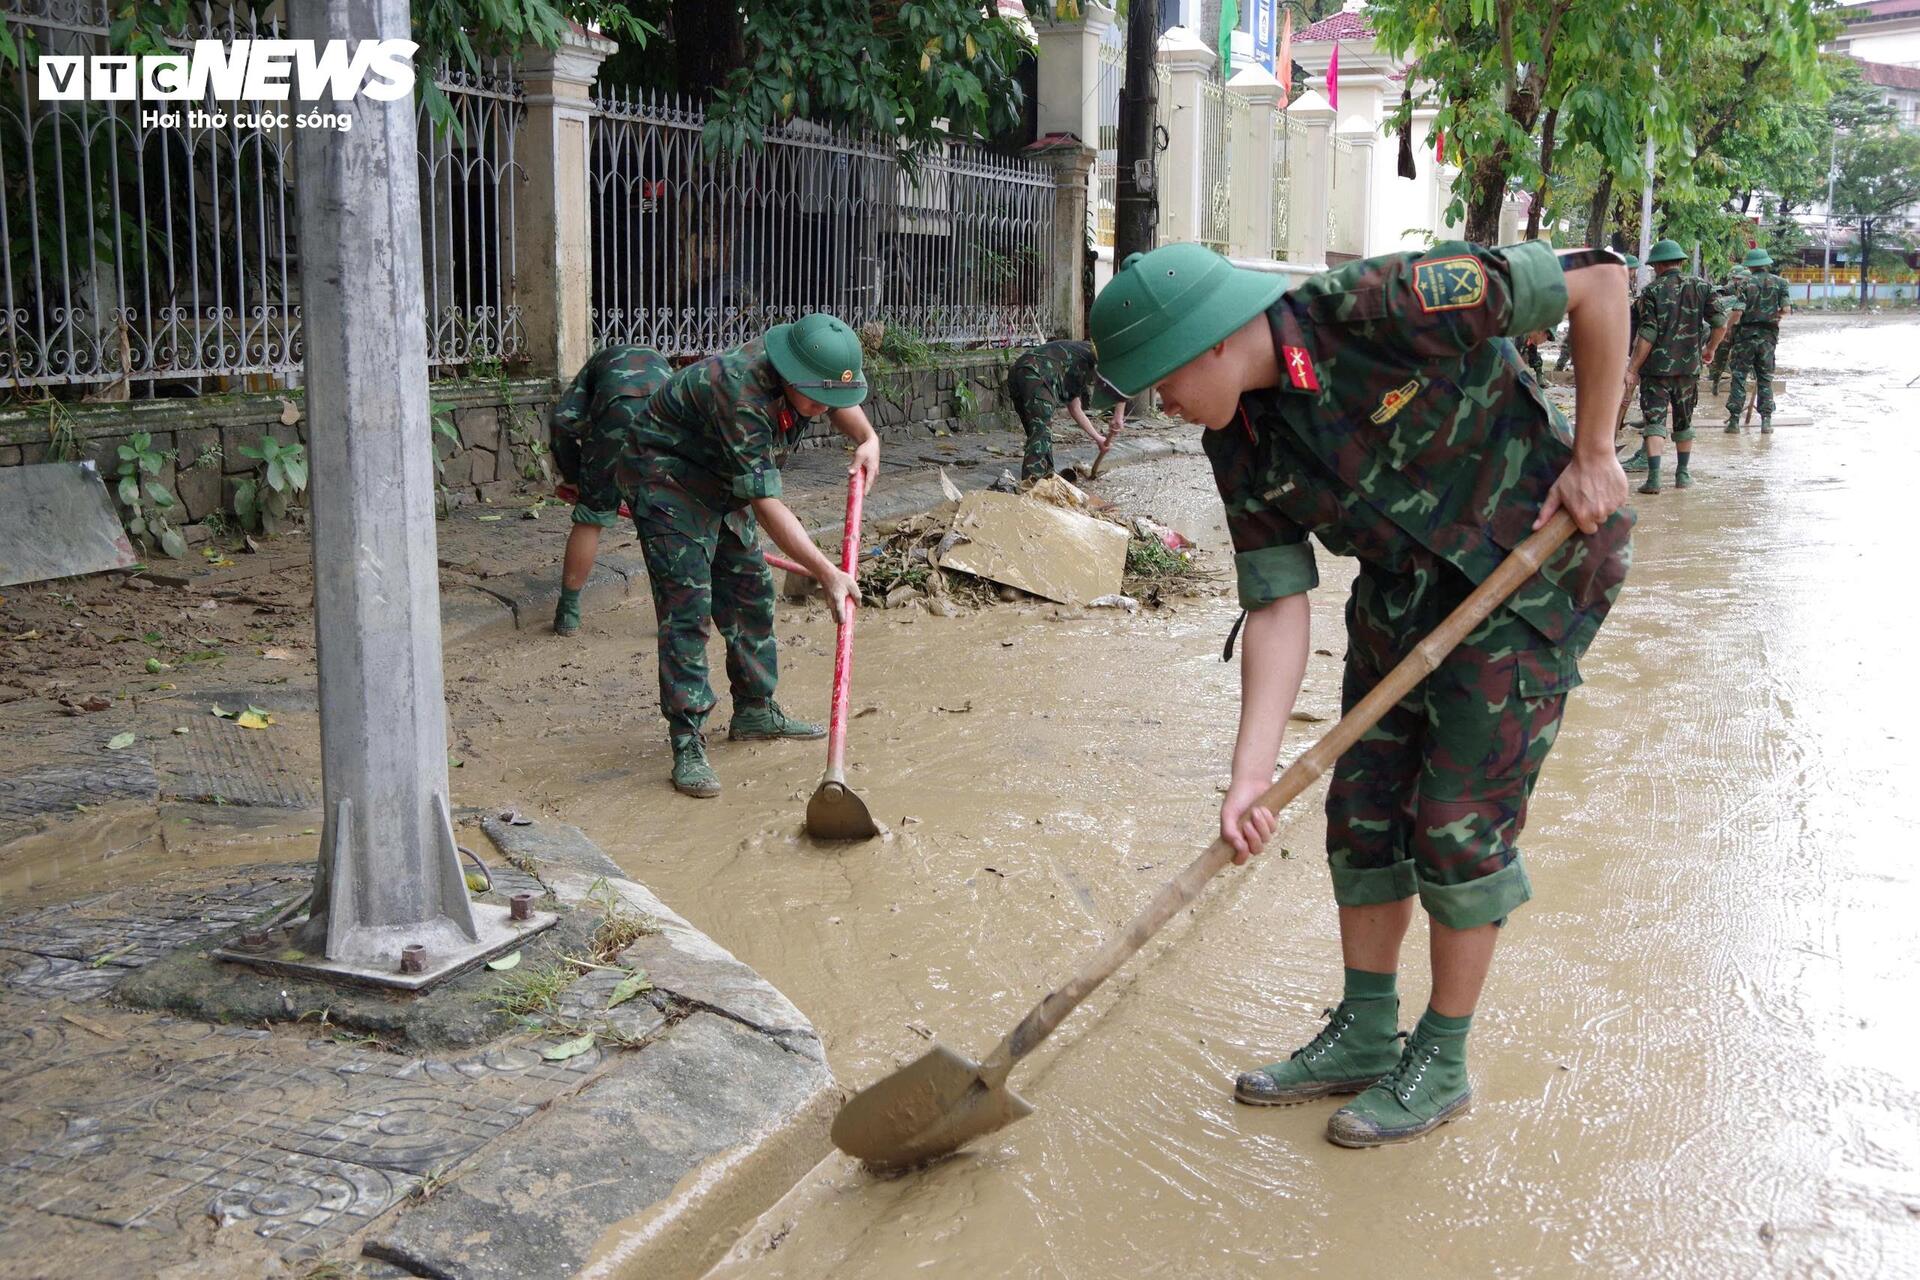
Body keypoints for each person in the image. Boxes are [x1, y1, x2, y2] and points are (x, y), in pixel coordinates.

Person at [1088, 240, 1633, 1148]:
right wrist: (1249, 776)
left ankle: (1443, 1056)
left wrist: (1596, 450)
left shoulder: (1385, 305)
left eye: (1161, 383)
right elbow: (1277, 606)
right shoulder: (1240, 438)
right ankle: (1366, 1030)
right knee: (1366, 804)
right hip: (1404, 589)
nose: (1166, 407)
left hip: (1531, 567)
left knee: (1457, 818)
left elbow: (1600, 280)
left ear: (1211, 343)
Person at [610, 313, 882, 798]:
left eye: (831, 398)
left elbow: (836, 399)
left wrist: (868, 439)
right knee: (688, 608)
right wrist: (826, 573)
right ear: (790, 374)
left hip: (721, 477)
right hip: (666, 478)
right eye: (817, 397)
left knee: (750, 590)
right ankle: (687, 739)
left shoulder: (805, 379)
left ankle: (755, 710)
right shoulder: (741, 393)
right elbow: (767, 505)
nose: (823, 407)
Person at [548, 345, 677, 636]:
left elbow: (561, 422)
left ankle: (568, 614)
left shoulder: (595, 366)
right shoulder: (662, 367)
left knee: (591, 518)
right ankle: (674, 620)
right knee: (661, 525)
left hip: (613, 419)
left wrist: (574, 477)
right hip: (666, 419)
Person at [1622, 239, 1729, 494]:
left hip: (1656, 371)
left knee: (1655, 422)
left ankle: (1655, 479)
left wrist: (1633, 368)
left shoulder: (1651, 292)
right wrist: (1710, 349)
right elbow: (1720, 323)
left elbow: (1647, 332)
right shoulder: (1702, 287)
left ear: (1657, 265)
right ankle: (1682, 475)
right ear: (1680, 262)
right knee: (1684, 422)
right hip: (1688, 369)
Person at [1006, 339, 1127, 481]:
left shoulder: (1081, 363)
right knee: (1041, 433)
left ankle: (1046, 478)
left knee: (1039, 435)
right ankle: (1032, 487)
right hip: (1036, 374)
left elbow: (1075, 408)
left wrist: (1098, 438)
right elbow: (1120, 381)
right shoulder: (1088, 359)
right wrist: (1119, 415)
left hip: (1018, 371)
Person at [1722, 248, 1792, 434]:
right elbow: (1786, 309)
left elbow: (1737, 313)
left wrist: (1727, 330)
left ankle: (1734, 422)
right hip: (1768, 339)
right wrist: (1771, 316)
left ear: (1750, 266)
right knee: (1765, 379)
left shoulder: (1745, 283)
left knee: (1739, 377)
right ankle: (1766, 423)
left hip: (1745, 337)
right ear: (1766, 263)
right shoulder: (1781, 283)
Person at [1707, 255, 1753, 396]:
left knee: (1745, 358)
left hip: (1743, 330)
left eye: (1741, 279)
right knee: (1721, 355)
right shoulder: (1730, 289)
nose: (1738, 282)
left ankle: (1745, 380)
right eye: (1736, 279)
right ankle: (1715, 381)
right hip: (1729, 328)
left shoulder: (1751, 291)